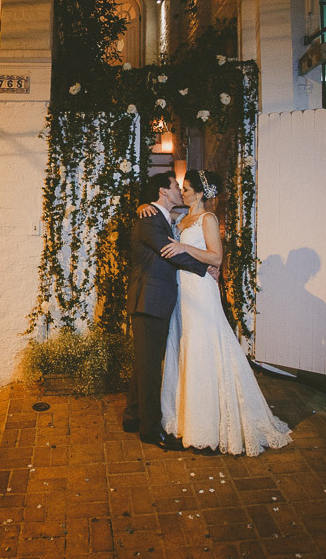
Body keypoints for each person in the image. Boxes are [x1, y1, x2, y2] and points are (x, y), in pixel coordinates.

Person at [140, 169, 292, 456]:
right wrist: (143, 204)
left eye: (186, 189)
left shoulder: (207, 219)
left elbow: (216, 257)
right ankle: (185, 419)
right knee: (185, 350)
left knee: (204, 349)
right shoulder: (181, 218)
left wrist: (184, 246)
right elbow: (158, 219)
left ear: (199, 193)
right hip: (181, 293)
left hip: (201, 290)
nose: (182, 192)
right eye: (181, 188)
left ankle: (208, 425)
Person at [123, 172, 218, 450]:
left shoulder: (164, 216)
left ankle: (131, 417)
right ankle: (151, 431)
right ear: (164, 191)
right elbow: (169, 250)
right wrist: (206, 267)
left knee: (145, 362)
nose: (179, 189)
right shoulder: (150, 218)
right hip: (149, 301)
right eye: (176, 186)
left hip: (156, 300)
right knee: (151, 368)